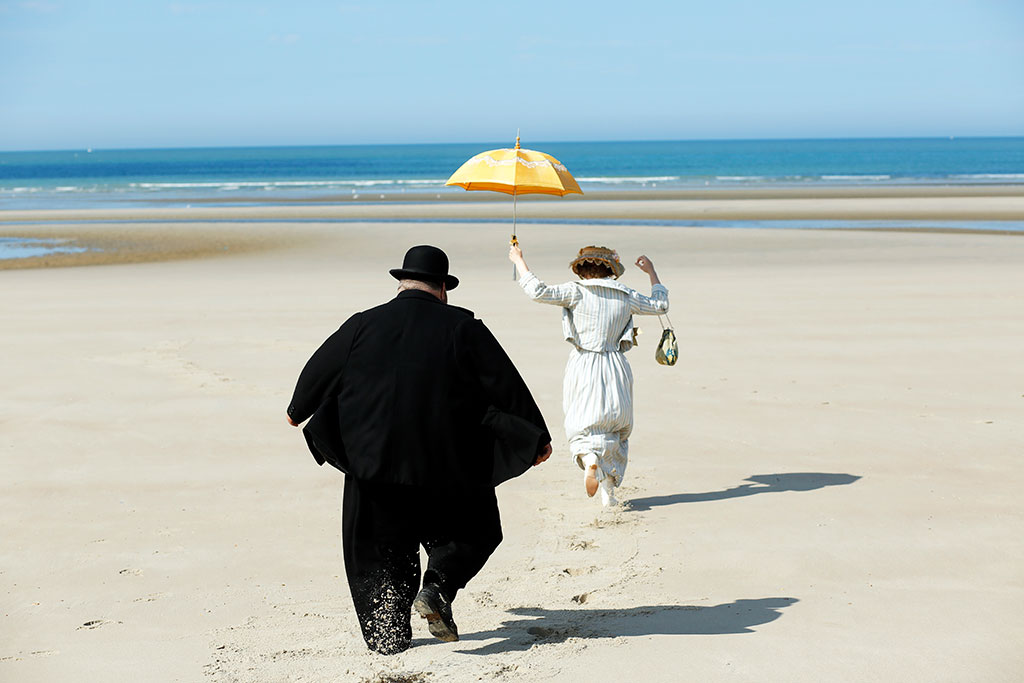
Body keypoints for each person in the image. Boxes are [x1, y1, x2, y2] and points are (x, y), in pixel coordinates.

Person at [287, 245, 552, 655]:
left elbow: (319, 369)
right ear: (443, 288)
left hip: (370, 462)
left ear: (400, 283)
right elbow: (505, 385)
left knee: (376, 551)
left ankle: (387, 636)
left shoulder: (362, 324)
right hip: (443, 463)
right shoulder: (463, 328)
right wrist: (537, 437)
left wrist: (297, 408)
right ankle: (438, 586)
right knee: (476, 529)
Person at [509, 244, 668, 507]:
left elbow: (537, 291)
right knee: (615, 426)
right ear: (611, 270)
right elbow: (661, 305)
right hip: (615, 364)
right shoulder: (625, 294)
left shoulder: (575, 291)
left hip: (583, 363)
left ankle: (589, 459)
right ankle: (609, 492)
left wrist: (518, 260)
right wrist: (651, 272)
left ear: (582, 269)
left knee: (582, 422)